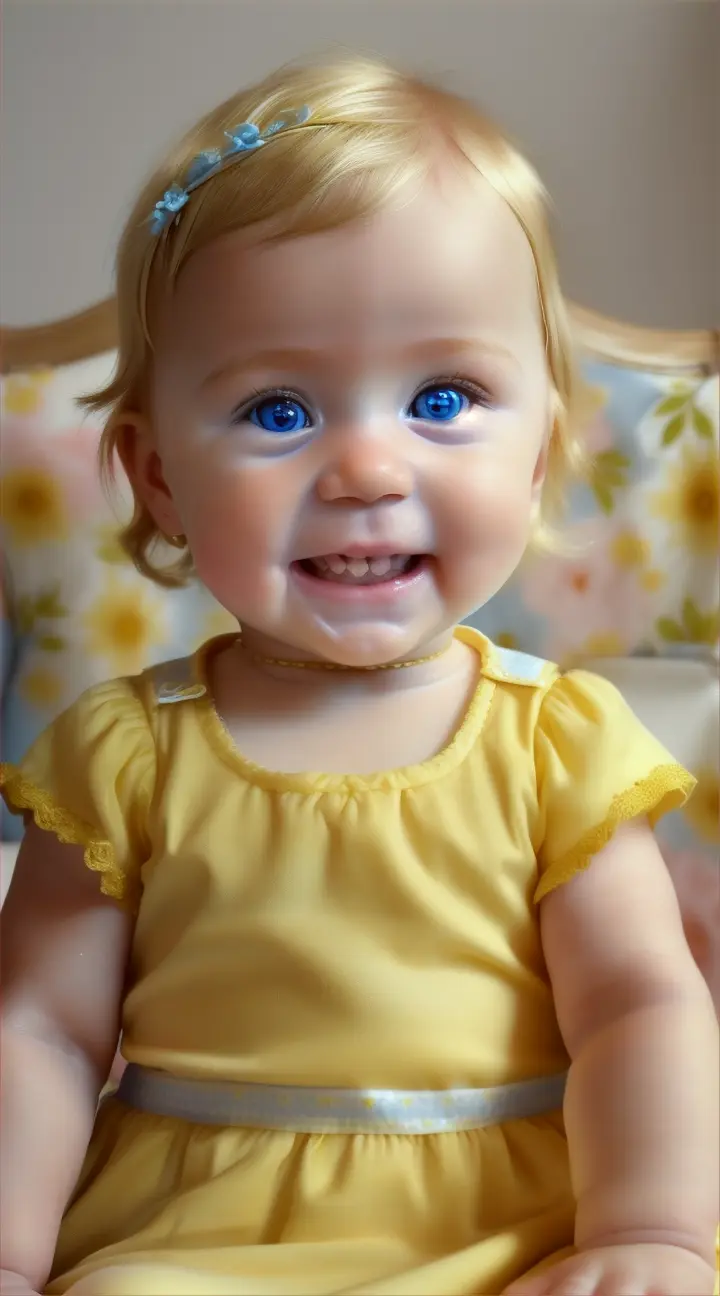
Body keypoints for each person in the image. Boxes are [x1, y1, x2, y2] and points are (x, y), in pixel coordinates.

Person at [1, 53, 717, 1296]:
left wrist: (647, 1233)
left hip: (519, 1223)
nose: (368, 470)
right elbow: (42, 1037)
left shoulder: (557, 741)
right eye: (281, 411)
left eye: (444, 395)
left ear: (543, 451)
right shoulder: (125, 753)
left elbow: (640, 1009)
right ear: (160, 475)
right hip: (201, 1237)